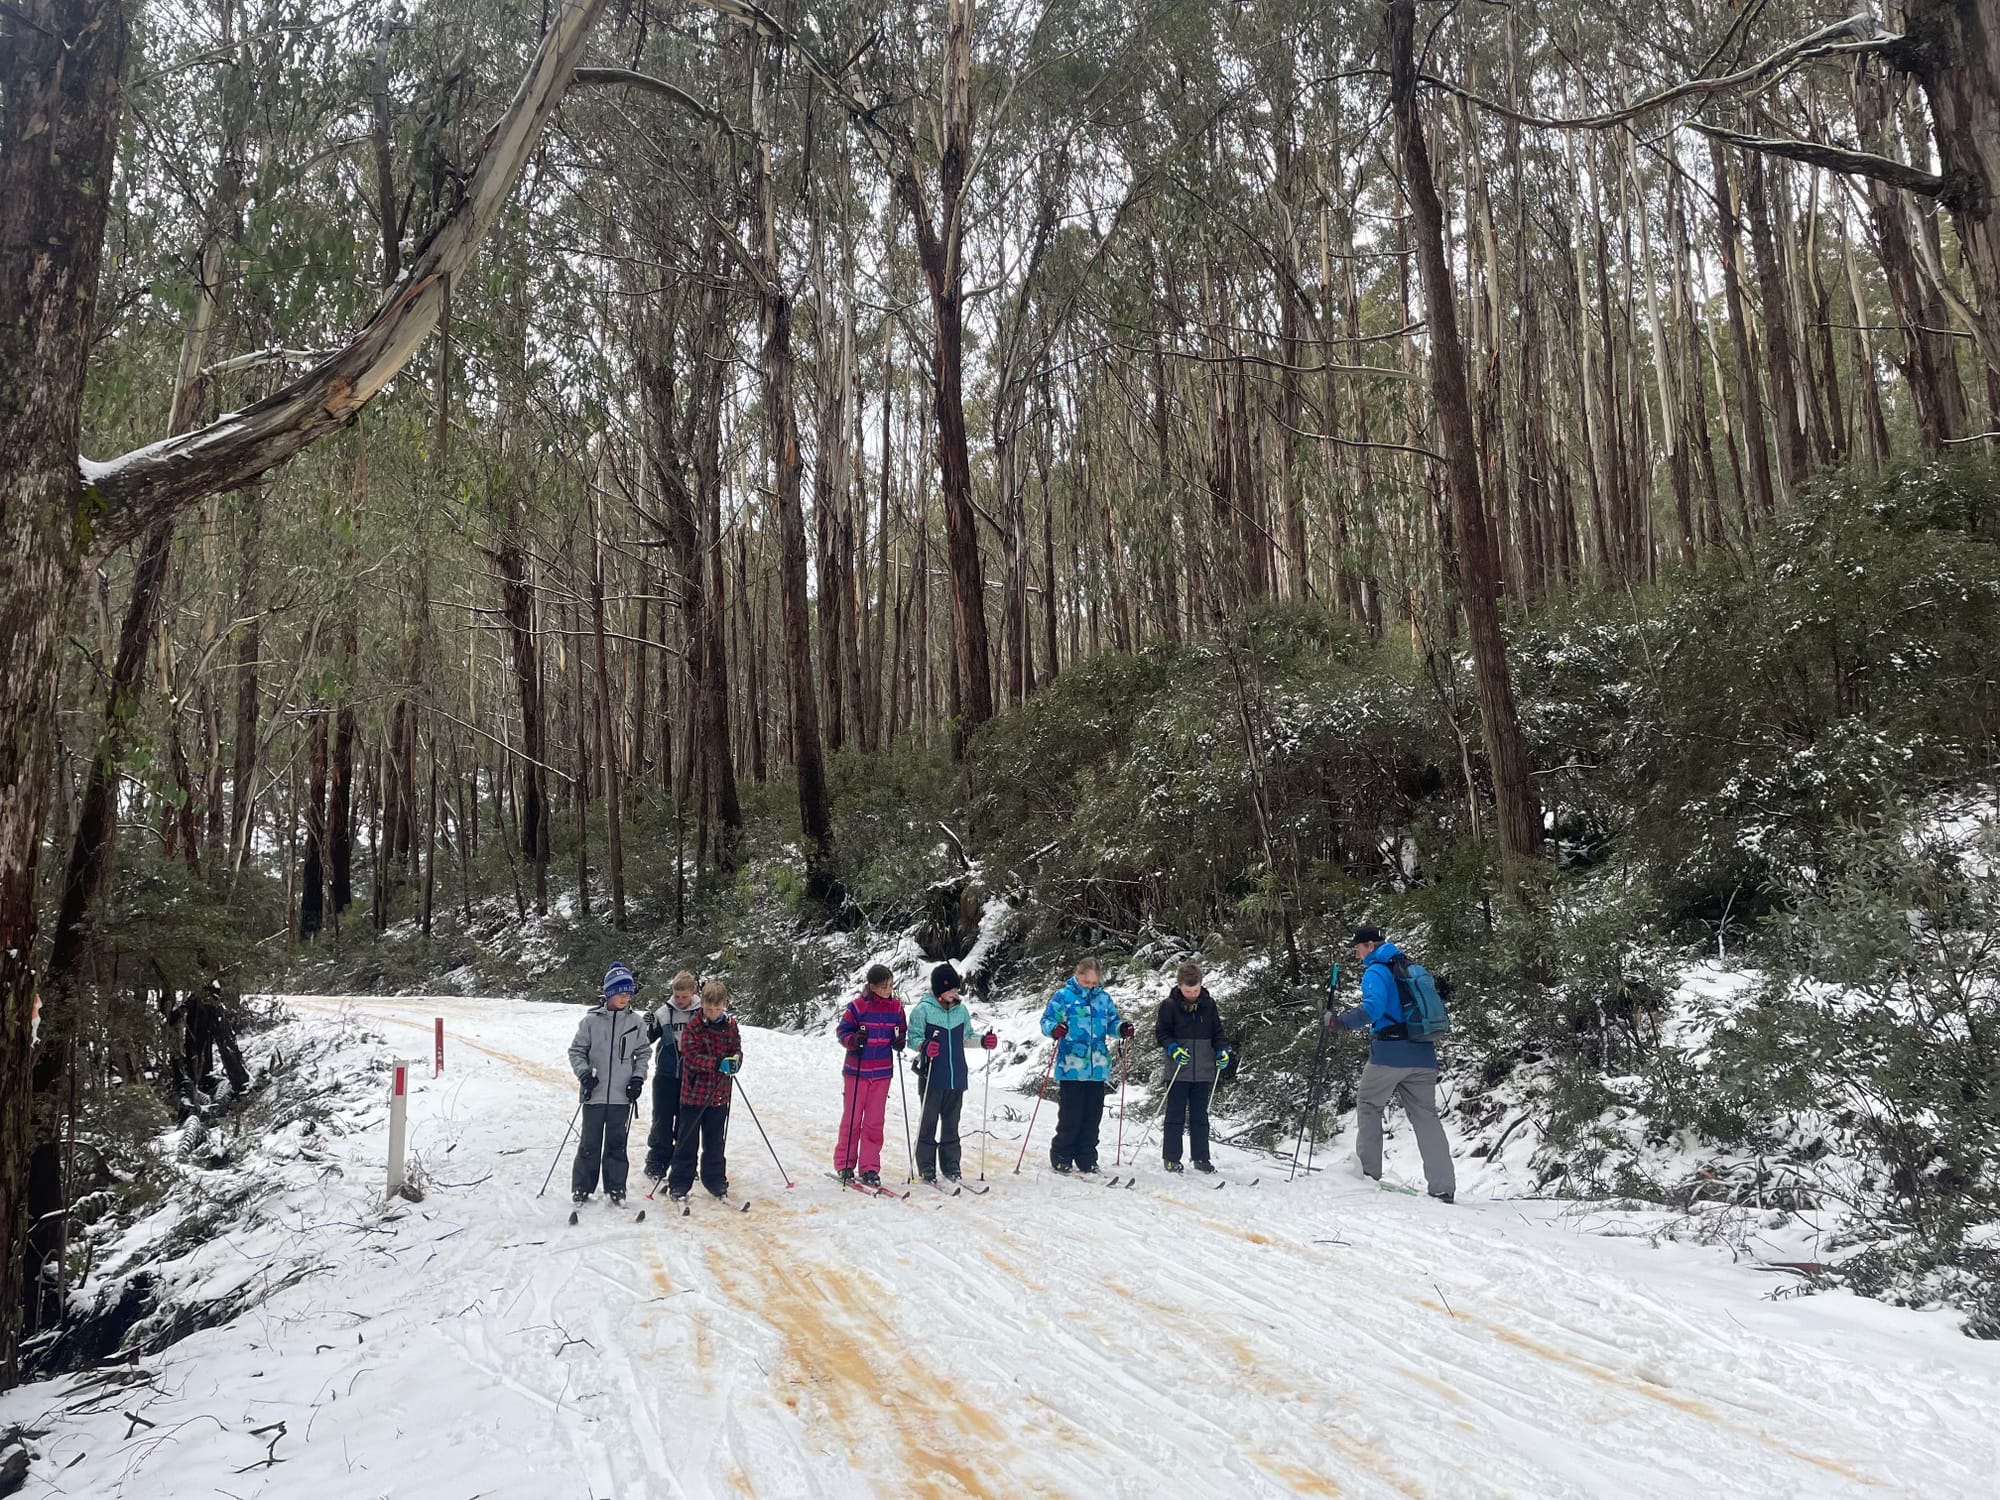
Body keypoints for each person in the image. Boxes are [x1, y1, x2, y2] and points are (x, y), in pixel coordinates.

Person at [1333, 926, 1455, 1202]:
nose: (1357, 954)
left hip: (1389, 1053)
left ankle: (1368, 1174)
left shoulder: (1376, 971)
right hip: (1423, 1053)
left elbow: (1373, 1008)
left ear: (1371, 946)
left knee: (1368, 1103)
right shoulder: (1411, 967)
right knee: (1426, 1117)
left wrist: (1341, 1021)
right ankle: (1443, 1186)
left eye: (1359, 948)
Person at [904, 962, 998, 1183]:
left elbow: (967, 1037)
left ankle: (951, 1165)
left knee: (951, 1124)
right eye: (951, 990)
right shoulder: (923, 1010)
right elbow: (912, 1038)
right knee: (928, 1122)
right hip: (932, 1077)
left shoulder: (961, 1010)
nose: (955, 994)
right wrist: (924, 1046)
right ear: (939, 990)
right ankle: (926, 1166)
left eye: (956, 990)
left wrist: (984, 1041)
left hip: (956, 1077)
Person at [567, 963, 651, 1206]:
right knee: (589, 1143)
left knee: (616, 1144)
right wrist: (584, 1074)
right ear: (608, 993)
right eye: (620, 992)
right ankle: (582, 1187)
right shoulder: (590, 1022)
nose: (625, 996)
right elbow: (576, 1051)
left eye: (629, 992)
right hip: (594, 1094)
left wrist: (637, 1078)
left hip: (621, 1096)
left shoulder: (635, 1022)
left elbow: (643, 1053)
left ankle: (616, 1188)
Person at [1040, 956, 1130, 1174]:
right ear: (1077, 975)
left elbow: (1111, 1023)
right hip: (1072, 1065)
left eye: (1093, 983)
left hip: (1097, 1066)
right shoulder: (1064, 996)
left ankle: (1087, 1156)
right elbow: (1046, 1021)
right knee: (1071, 1114)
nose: (1090, 986)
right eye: (1086, 982)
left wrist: (1121, 1029)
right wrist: (1055, 1029)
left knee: (1092, 1115)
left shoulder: (1103, 999)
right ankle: (1062, 1154)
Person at [667, 980, 742, 1202]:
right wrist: (717, 1063)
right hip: (694, 1093)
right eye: (708, 1008)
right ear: (703, 1005)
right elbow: (690, 1054)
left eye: (717, 1009)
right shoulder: (695, 1025)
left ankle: (715, 1180)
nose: (712, 1013)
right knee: (687, 1140)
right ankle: (680, 1182)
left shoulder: (731, 1025)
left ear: (724, 1005)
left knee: (715, 1141)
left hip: (720, 1093)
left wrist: (736, 1061)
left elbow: (736, 1048)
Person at [834, 963, 907, 1187]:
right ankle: (845, 1163)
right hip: (857, 1071)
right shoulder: (858, 1007)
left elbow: (901, 1030)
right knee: (853, 1119)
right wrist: (853, 1041)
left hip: (882, 1072)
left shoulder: (896, 1008)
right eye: (884, 987)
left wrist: (899, 1041)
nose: (888, 990)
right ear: (872, 986)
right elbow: (842, 1031)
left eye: (891, 986)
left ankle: (870, 1167)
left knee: (875, 1122)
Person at [1154, 962, 1231, 1174]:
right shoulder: (1169, 1005)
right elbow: (1161, 1033)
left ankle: (1201, 1158)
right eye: (1188, 991)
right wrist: (1173, 1048)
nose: (1192, 994)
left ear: (1201, 985)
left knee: (1200, 1116)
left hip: (1203, 1069)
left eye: (1195, 990)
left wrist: (1222, 1050)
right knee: (1175, 1115)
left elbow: (1218, 1032)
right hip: (1178, 1069)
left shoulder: (1209, 1004)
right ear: (1179, 986)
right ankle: (1171, 1157)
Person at [642, 970, 700, 1181]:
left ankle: (685, 1164)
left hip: (692, 1077)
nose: (681, 1001)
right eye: (677, 996)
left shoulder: (701, 1013)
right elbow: (646, 1039)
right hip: (666, 1075)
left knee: (687, 1122)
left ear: (693, 992)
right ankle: (656, 1162)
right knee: (662, 1120)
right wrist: (647, 1024)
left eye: (685, 997)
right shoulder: (664, 1013)